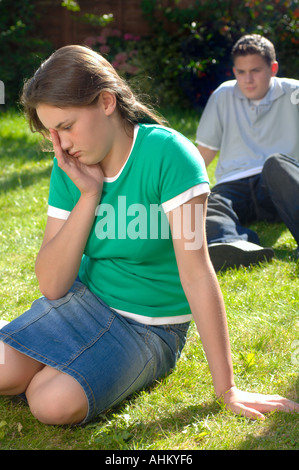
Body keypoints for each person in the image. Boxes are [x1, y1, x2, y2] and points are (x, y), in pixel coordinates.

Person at [0, 45, 298, 426]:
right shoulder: (70, 166)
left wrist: (227, 389)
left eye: (66, 126)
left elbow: (197, 273)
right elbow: (53, 285)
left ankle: (42, 352)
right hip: (82, 304)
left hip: (150, 328)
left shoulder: (171, 156)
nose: (62, 145)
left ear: (106, 102)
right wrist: (89, 195)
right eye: (52, 132)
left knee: (50, 404)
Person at [196, 34, 299, 272]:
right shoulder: (223, 95)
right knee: (207, 198)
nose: (248, 79)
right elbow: (206, 151)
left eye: (255, 70)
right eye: (241, 72)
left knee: (276, 163)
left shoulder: (294, 93)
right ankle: (231, 245)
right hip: (235, 186)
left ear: (273, 68)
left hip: (277, 184)